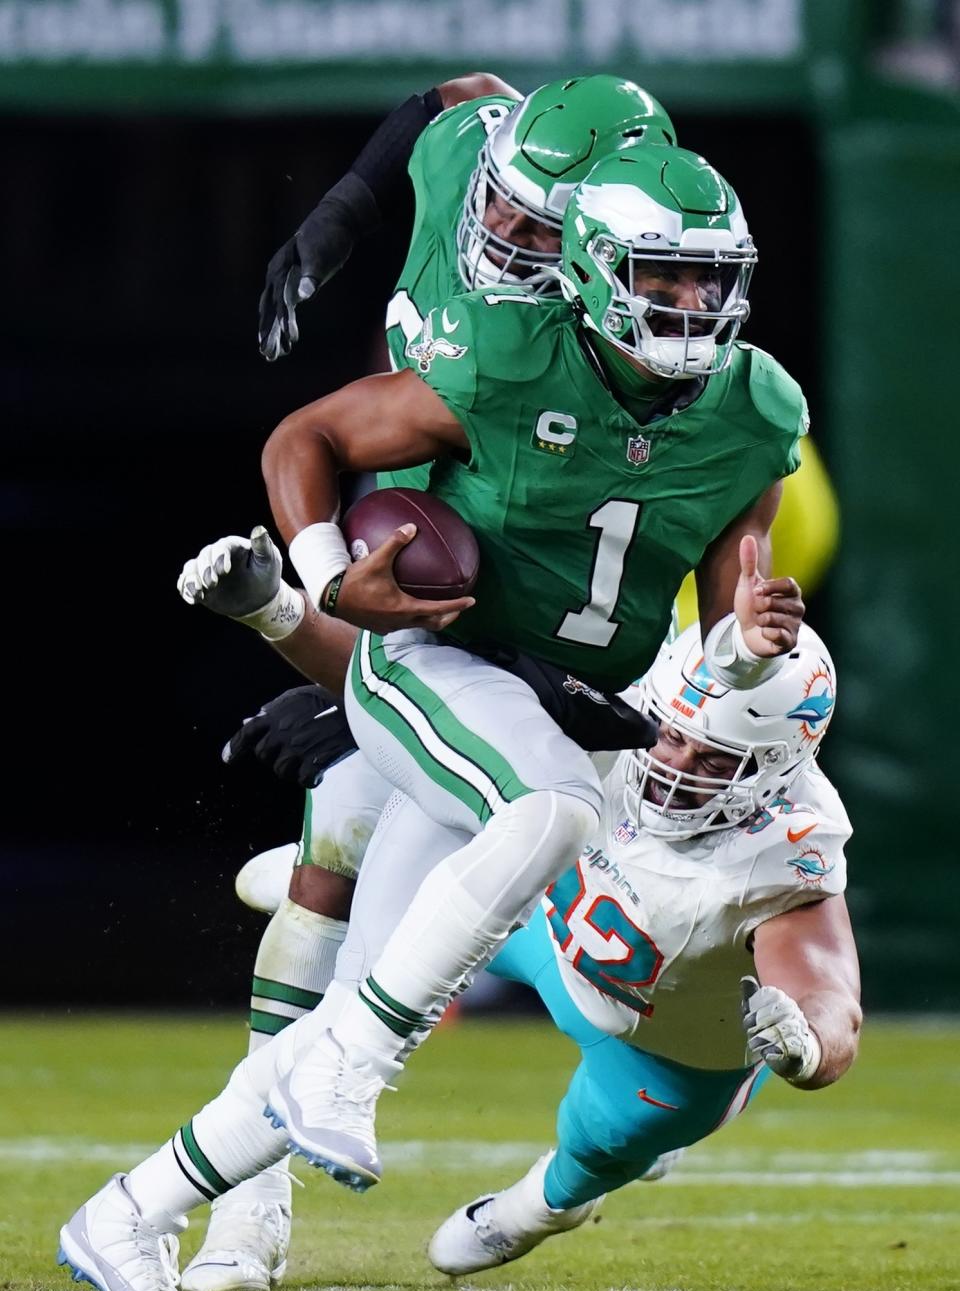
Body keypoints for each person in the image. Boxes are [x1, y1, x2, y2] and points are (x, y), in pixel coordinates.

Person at [179, 73, 680, 1291]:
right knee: (340, 823)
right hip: (462, 645)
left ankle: (258, 1176)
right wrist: (345, 212)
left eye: (539, 228)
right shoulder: (486, 171)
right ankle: (245, 1197)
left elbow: (541, 611)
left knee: (647, 1036)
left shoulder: (597, 373)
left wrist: (310, 635)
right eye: (501, 205)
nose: (500, 236)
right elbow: (454, 99)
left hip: (590, 676)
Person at [254, 143, 807, 1195]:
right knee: (548, 817)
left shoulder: (758, 406)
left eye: (709, 276)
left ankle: (164, 1203)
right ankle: (324, 1097)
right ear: (598, 270)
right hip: (468, 663)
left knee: (584, 944)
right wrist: (325, 586)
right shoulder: (509, 354)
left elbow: (741, 576)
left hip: (601, 700)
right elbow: (308, 436)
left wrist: (745, 631)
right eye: (663, 275)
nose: (692, 301)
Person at [57, 621, 859, 1291]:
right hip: (548, 920)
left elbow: (829, 997)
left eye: (713, 760)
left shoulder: (788, 852)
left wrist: (805, 1043)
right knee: (382, 892)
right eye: (672, 732)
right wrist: (343, 691)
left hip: (660, 1042)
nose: (674, 764)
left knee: (596, 1153)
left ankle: (542, 1208)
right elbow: (452, 687)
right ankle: (202, 1199)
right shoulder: (618, 711)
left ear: (780, 767)